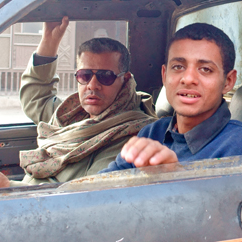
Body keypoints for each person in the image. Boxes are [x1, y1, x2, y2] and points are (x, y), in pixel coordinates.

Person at [99, 23, 242, 172]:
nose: (188, 79)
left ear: (228, 81)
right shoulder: (153, 133)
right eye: (178, 66)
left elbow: (221, 208)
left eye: (205, 69)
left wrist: (173, 176)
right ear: (164, 75)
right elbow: (103, 187)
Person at [17, 16, 156, 183]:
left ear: (125, 79)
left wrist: (8, 187)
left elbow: (84, 194)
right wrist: (49, 40)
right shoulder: (72, 115)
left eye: (105, 76)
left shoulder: (130, 135)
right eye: (85, 75)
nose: (92, 85)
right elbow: (36, 99)